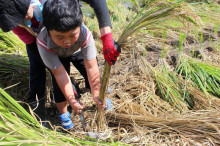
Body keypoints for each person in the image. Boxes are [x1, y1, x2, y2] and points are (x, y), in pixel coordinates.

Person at [37, 0, 105, 129]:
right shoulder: (43, 41)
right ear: (48, 30)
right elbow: (60, 74)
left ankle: (101, 98)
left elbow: (92, 66)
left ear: (80, 25)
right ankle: (63, 113)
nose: (67, 41)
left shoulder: (85, 35)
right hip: (55, 54)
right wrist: (71, 99)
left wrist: (96, 92)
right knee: (59, 85)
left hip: (78, 50)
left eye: (72, 35)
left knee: (90, 74)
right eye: (60, 37)